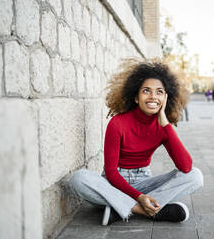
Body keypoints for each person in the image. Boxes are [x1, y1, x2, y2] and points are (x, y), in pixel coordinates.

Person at [69, 59, 203, 226]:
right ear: (136, 98)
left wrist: (166, 125)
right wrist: (139, 198)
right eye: (146, 91)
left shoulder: (163, 127)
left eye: (159, 92)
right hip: (115, 182)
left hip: (145, 181)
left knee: (195, 176)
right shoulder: (117, 123)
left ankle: (119, 208)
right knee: (79, 179)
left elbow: (186, 167)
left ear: (166, 97)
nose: (153, 96)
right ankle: (144, 210)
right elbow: (111, 173)